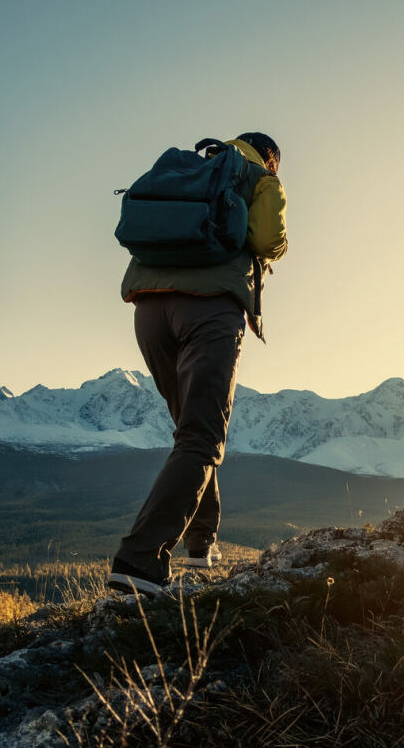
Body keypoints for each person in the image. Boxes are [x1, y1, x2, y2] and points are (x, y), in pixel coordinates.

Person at [108, 133, 287, 596]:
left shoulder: (188, 167)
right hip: (209, 309)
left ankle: (200, 540)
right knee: (202, 438)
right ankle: (140, 560)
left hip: (148, 310)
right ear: (271, 160)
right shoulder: (261, 178)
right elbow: (269, 239)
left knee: (190, 430)